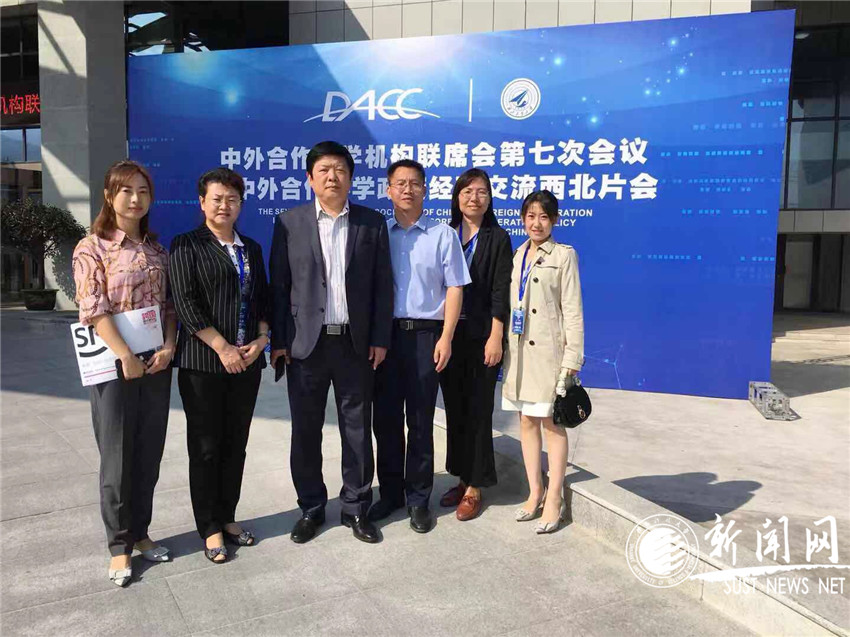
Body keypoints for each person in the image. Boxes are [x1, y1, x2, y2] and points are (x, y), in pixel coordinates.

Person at [269, 141, 393, 545]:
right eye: (323, 170)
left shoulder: (371, 223)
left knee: (357, 430)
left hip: (355, 345)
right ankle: (311, 507)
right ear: (310, 178)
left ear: (351, 178)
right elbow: (279, 286)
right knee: (305, 431)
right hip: (306, 346)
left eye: (340, 169)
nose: (332, 177)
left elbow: (382, 286)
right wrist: (279, 341)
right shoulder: (289, 222)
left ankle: (356, 507)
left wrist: (380, 338)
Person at [72, 160, 177, 587]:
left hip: (155, 362)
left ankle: (141, 532)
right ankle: (119, 546)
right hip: (113, 364)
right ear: (109, 195)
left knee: (148, 451)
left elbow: (169, 307)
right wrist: (124, 355)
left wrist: (169, 346)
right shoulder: (91, 248)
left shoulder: (157, 250)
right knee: (116, 456)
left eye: (143, 191)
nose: (135, 199)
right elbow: (93, 308)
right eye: (126, 191)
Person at [169, 167, 270, 563]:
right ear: (202, 202)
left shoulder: (251, 249)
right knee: (206, 447)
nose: (224, 205)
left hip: (247, 363)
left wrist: (262, 339)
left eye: (232, 199)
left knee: (235, 444)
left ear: (240, 204)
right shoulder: (186, 245)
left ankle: (227, 516)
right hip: (203, 365)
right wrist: (222, 347)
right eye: (217, 199)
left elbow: (262, 298)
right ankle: (209, 526)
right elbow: (186, 303)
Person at [370, 159, 471, 533]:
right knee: (385, 421)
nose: (407, 189)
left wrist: (446, 337)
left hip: (427, 336)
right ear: (388, 190)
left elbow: (455, 286)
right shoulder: (378, 234)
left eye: (414, 183)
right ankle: (390, 494)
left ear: (425, 190)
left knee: (420, 421)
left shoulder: (443, 235)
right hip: (384, 339)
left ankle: (418, 499)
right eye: (399, 183)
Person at [501, 190, 584, 534]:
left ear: (555, 220)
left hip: (550, 355)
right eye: (531, 216)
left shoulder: (564, 256)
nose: (537, 223)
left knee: (551, 424)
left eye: (544, 217)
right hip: (519, 355)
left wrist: (572, 358)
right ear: (523, 219)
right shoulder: (517, 255)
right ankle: (534, 490)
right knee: (526, 422)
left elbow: (573, 310)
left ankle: (554, 496)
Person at [438, 169, 512, 521]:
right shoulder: (445, 234)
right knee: (455, 409)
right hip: (449, 336)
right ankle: (461, 476)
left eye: (482, 192)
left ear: (489, 198)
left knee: (479, 410)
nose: (474, 198)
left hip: (483, 337)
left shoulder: (498, 238)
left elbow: (501, 290)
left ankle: (475, 487)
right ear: (457, 197)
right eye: (467, 191)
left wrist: (496, 335)